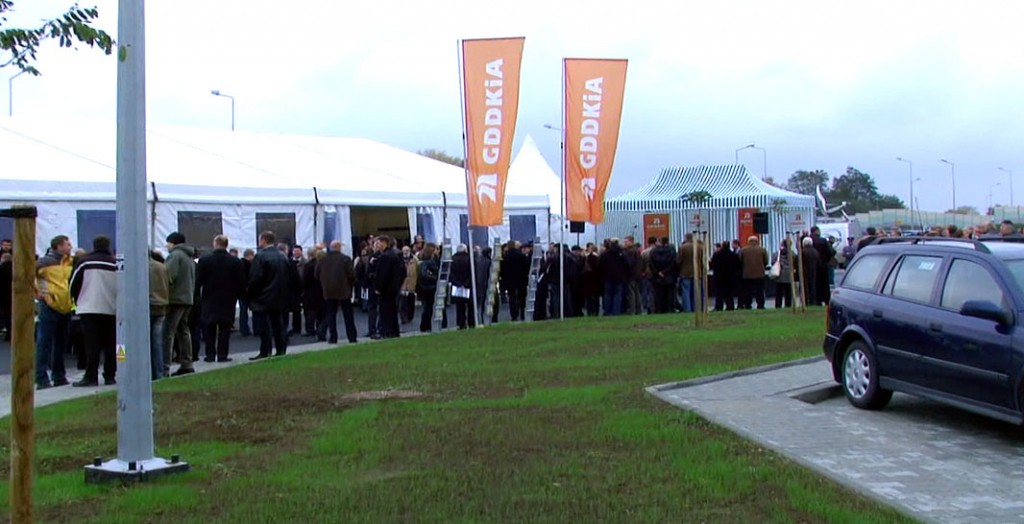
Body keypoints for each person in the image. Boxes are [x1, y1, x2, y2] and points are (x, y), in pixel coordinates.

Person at [70, 235, 117, 387]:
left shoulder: (84, 262)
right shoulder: (115, 263)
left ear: (94, 245)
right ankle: (110, 375)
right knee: (111, 344)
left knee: (92, 344)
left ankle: (91, 376)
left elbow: (73, 284)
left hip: (89, 307)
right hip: (111, 308)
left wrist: (76, 301)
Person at [196, 235, 245, 363]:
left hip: (209, 297)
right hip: (228, 298)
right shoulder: (235, 262)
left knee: (209, 327)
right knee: (225, 328)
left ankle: (210, 354)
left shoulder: (205, 260)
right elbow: (240, 282)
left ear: (215, 244)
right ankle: (223, 354)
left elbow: (198, 280)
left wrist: (197, 295)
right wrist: (240, 295)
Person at [35, 235, 75, 389]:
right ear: (59, 246)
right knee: (44, 341)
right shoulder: (44, 262)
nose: (70, 247)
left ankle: (59, 375)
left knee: (61, 343)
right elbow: (26, 276)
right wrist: (37, 293)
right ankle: (41, 377)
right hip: (49, 305)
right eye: (67, 244)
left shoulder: (70, 262)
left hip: (66, 305)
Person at [249, 231, 294, 359]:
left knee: (264, 326)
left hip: (263, 296)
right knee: (278, 324)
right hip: (280, 295)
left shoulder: (260, 257)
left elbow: (256, 277)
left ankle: (265, 350)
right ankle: (281, 349)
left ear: (263, 240)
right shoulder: (283, 256)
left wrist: (251, 292)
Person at [163, 232, 196, 376]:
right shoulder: (189, 257)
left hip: (175, 299)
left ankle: (164, 366)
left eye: (168, 243)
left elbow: (167, 275)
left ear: (173, 243)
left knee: (167, 333)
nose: (167, 246)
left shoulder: (175, 256)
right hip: (187, 298)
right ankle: (187, 363)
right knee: (183, 331)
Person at [316, 240, 358, 344]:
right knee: (348, 315)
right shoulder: (345, 259)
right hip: (344, 290)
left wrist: (324, 284)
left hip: (328, 291)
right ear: (339, 247)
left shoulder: (323, 260)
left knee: (331, 315)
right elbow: (351, 275)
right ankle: (351, 337)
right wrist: (351, 285)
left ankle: (333, 337)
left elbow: (316, 274)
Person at [373, 236, 404, 339]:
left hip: (386, 289)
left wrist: (378, 288)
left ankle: (386, 332)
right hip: (393, 288)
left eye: (378, 243)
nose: (377, 245)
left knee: (385, 311)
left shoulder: (385, 257)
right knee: (392, 311)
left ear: (384, 243)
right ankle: (394, 331)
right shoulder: (394, 255)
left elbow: (383, 274)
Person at [149, 250, 169, 380]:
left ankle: (149, 372)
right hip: (161, 304)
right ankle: (159, 372)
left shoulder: (142, 268)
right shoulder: (162, 267)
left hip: (148, 305)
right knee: (157, 342)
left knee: (145, 342)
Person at [415, 243, 442, 332]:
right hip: (428, 288)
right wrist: (435, 277)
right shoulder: (428, 262)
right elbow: (425, 274)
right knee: (428, 307)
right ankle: (425, 326)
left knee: (427, 307)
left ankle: (426, 325)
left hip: (425, 287)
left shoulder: (427, 261)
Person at [647, 237, 678, 314]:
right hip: (669, 275)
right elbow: (674, 264)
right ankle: (669, 309)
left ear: (660, 241)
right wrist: (665, 272)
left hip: (657, 276)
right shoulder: (672, 251)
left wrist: (658, 272)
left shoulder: (653, 251)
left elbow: (651, 264)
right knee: (670, 294)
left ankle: (659, 309)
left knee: (658, 295)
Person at [502, 241, 529, 321]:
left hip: (510, 280)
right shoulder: (521, 255)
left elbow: (503, 270)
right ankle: (522, 314)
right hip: (521, 279)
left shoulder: (505, 256)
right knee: (522, 297)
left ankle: (514, 315)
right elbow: (526, 267)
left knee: (512, 298)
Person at [740, 236, 769, 310]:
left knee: (748, 291)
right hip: (760, 274)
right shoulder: (762, 250)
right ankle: (760, 305)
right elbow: (766, 261)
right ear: (757, 241)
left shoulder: (743, 250)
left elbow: (740, 261)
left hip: (747, 274)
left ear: (748, 241)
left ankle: (747, 305)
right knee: (760, 291)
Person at [450, 244, 475, 329]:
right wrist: (466, 283)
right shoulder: (470, 259)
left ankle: (461, 323)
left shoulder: (452, 259)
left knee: (459, 306)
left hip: (457, 285)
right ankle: (471, 322)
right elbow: (471, 272)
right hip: (468, 285)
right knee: (470, 305)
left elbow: (451, 273)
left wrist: (457, 283)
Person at [710, 241, 739, 311]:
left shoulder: (717, 255)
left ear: (722, 246)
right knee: (729, 293)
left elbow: (713, 265)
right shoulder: (733, 255)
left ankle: (719, 307)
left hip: (719, 277)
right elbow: (737, 266)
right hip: (730, 277)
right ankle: (730, 306)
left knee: (719, 293)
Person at [810, 226, 836, 305]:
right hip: (823, 265)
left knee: (814, 284)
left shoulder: (809, 240)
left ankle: (815, 300)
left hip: (812, 266)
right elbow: (831, 252)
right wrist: (827, 259)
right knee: (824, 284)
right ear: (817, 231)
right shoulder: (823, 241)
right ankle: (825, 299)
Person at [302, 246, 324, 337]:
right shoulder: (321, 264)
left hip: (310, 291)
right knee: (320, 312)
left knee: (310, 312)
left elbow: (305, 279)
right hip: (320, 290)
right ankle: (320, 328)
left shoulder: (308, 265)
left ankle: (310, 330)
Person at [677, 234, 697, 313]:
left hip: (685, 272)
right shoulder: (699, 247)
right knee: (695, 292)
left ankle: (687, 309)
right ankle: (695, 308)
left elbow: (678, 261)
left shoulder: (682, 248)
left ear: (686, 238)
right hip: (696, 272)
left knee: (686, 291)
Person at [799, 236, 821, 306]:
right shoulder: (815, 251)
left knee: (805, 287)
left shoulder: (802, 252)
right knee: (812, 287)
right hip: (813, 271)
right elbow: (818, 262)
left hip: (804, 271)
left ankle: (805, 301)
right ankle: (812, 301)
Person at [772, 239, 793, 309]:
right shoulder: (792, 253)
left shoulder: (777, 253)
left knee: (778, 291)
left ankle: (778, 305)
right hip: (789, 274)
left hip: (779, 274)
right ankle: (788, 305)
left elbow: (773, 262)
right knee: (788, 292)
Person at [238, 249, 255, 336]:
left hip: (241, 292)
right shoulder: (249, 265)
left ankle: (243, 329)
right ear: (250, 255)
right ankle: (255, 328)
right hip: (248, 291)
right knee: (254, 311)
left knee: (243, 311)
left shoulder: (239, 264)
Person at [400, 245, 418, 325]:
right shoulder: (399, 260)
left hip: (412, 283)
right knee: (403, 302)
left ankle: (410, 317)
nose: (405, 252)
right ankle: (403, 318)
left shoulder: (414, 260)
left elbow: (418, 271)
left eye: (407, 250)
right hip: (403, 284)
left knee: (411, 302)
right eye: (404, 251)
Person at [0, 252, 11, 341]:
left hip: (3, 296)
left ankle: (8, 334)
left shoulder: (1, 269)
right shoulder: (15, 269)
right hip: (13, 295)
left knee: (6, 315)